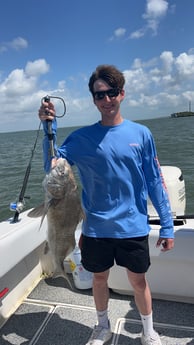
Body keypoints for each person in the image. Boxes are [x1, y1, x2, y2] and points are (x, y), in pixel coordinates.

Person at [39, 64, 174, 345]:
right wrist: (48, 127)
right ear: (93, 99)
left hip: (133, 226)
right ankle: (102, 326)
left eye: (112, 93)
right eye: (100, 95)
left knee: (138, 282)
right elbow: (52, 167)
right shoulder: (81, 138)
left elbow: (155, 181)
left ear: (122, 94)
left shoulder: (141, 134)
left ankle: (148, 330)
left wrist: (167, 225)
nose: (106, 100)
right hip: (96, 228)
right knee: (99, 280)